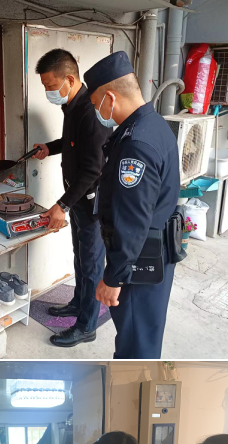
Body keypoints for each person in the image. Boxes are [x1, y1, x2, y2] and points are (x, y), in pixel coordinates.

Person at [83, 51, 181, 359]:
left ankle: (133, 389)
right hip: (153, 254)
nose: (97, 111)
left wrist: (113, 278)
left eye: (96, 103)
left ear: (110, 97)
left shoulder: (135, 145)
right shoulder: (154, 125)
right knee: (144, 338)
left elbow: (132, 221)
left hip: (139, 264)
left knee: (135, 347)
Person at [33, 48, 111, 348]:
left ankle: (86, 326)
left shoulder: (91, 112)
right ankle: (78, 303)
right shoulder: (72, 105)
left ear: (69, 79)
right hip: (77, 198)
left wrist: (61, 205)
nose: (48, 92)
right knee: (80, 257)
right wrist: (50, 148)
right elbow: (72, 143)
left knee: (91, 265)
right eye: (45, 87)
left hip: (91, 203)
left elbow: (93, 168)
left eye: (51, 86)